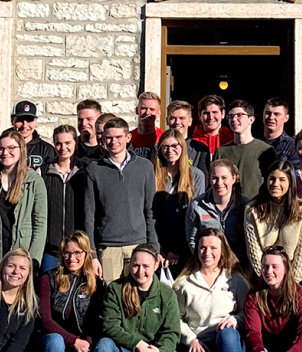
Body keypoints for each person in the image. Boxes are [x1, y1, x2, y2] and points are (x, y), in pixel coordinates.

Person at [95, 244, 187, 352]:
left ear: (155, 266)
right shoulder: (116, 289)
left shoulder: (166, 294)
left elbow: (171, 332)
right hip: (125, 349)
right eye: (135, 265)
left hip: (153, 351)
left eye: (146, 266)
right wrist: (138, 344)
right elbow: (109, 325)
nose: (140, 271)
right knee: (103, 346)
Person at [174, 228, 250, 352]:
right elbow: (175, 318)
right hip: (199, 344)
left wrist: (235, 320)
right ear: (196, 249)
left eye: (213, 248)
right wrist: (190, 339)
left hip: (228, 343)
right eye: (202, 247)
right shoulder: (184, 283)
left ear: (223, 250)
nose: (207, 253)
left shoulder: (236, 280)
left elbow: (248, 312)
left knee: (228, 334)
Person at [35, 231, 101, 352]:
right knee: (55, 339)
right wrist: (74, 340)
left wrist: (86, 347)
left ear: (86, 254)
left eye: (78, 253)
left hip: (76, 345)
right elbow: (45, 319)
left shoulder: (95, 284)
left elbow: (95, 323)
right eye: (67, 253)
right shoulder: (49, 278)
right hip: (47, 342)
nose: (72, 258)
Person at [83, 117, 158, 282]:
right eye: (109, 137)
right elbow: (89, 215)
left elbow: (150, 211)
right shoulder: (94, 170)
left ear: (128, 138)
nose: (113, 141)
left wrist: (153, 247)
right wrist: (93, 254)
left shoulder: (144, 167)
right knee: (112, 297)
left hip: (138, 245)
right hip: (108, 247)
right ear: (102, 138)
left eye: (118, 137)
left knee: (137, 297)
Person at [0, 128, 48, 280]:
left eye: (11, 148)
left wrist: (33, 260)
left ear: (21, 150)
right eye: (1, 148)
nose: (5, 153)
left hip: (21, 256)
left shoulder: (34, 181)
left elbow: (40, 224)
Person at [244, 159, 302, 280]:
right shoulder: (252, 209)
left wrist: (290, 284)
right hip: (262, 277)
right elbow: (253, 252)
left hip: (293, 279)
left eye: (282, 180)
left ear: (290, 182)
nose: (275, 184)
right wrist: (269, 279)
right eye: (272, 179)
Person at [153, 128, 206, 266]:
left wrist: (176, 249)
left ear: (182, 148)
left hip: (184, 245)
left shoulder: (196, 176)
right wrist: (158, 249)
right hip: (158, 247)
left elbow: (194, 215)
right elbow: (149, 214)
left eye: (175, 146)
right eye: (165, 146)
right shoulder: (152, 176)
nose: (170, 150)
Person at [42, 124, 89, 275]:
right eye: (58, 143)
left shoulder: (86, 172)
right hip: (50, 249)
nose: (63, 147)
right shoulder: (43, 172)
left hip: (77, 250)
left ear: (75, 143)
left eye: (68, 143)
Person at [185, 158, 248, 261]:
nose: (219, 183)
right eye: (215, 178)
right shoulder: (197, 206)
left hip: (240, 266)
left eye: (224, 178)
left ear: (234, 178)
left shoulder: (246, 206)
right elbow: (193, 241)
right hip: (209, 265)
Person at [216, 100, 277, 200]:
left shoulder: (265, 150)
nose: (234, 119)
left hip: (256, 208)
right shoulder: (221, 152)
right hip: (227, 210)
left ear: (251, 119)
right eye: (231, 116)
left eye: (239, 115)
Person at [10, 101, 59, 172]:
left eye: (29, 120)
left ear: (36, 121)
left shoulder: (47, 150)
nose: (24, 125)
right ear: (12, 121)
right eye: (20, 120)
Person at [164, 100, 211, 168]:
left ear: (190, 121)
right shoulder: (159, 148)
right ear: (167, 121)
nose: (177, 122)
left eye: (182, 118)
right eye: (173, 118)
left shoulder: (200, 150)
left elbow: (203, 177)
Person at [260, 97, 297, 165]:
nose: (271, 117)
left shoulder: (292, 146)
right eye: (268, 113)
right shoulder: (254, 142)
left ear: (286, 118)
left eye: (276, 114)